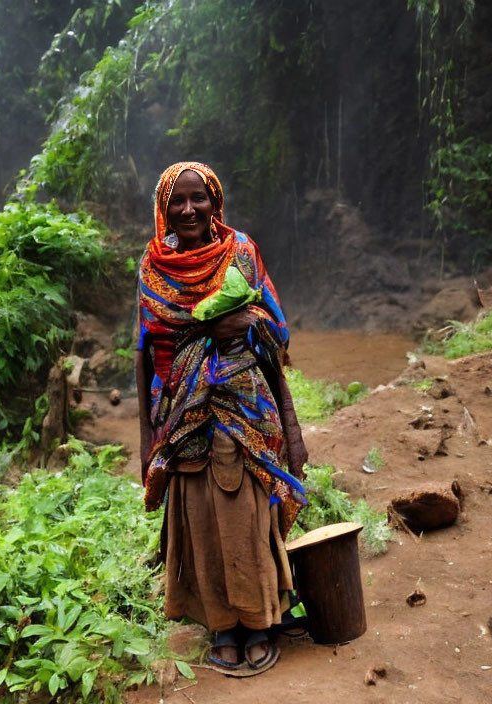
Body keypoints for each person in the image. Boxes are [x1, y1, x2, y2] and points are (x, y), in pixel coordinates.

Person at [135, 161, 308, 671]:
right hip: (182, 415)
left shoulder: (242, 253)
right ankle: (220, 626)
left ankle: (258, 621)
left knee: (248, 514)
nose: (188, 209)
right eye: (177, 202)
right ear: (164, 211)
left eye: (198, 199)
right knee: (200, 520)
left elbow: (270, 338)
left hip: (246, 408)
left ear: (215, 204)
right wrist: (146, 437)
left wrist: (293, 432)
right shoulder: (152, 268)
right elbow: (144, 352)